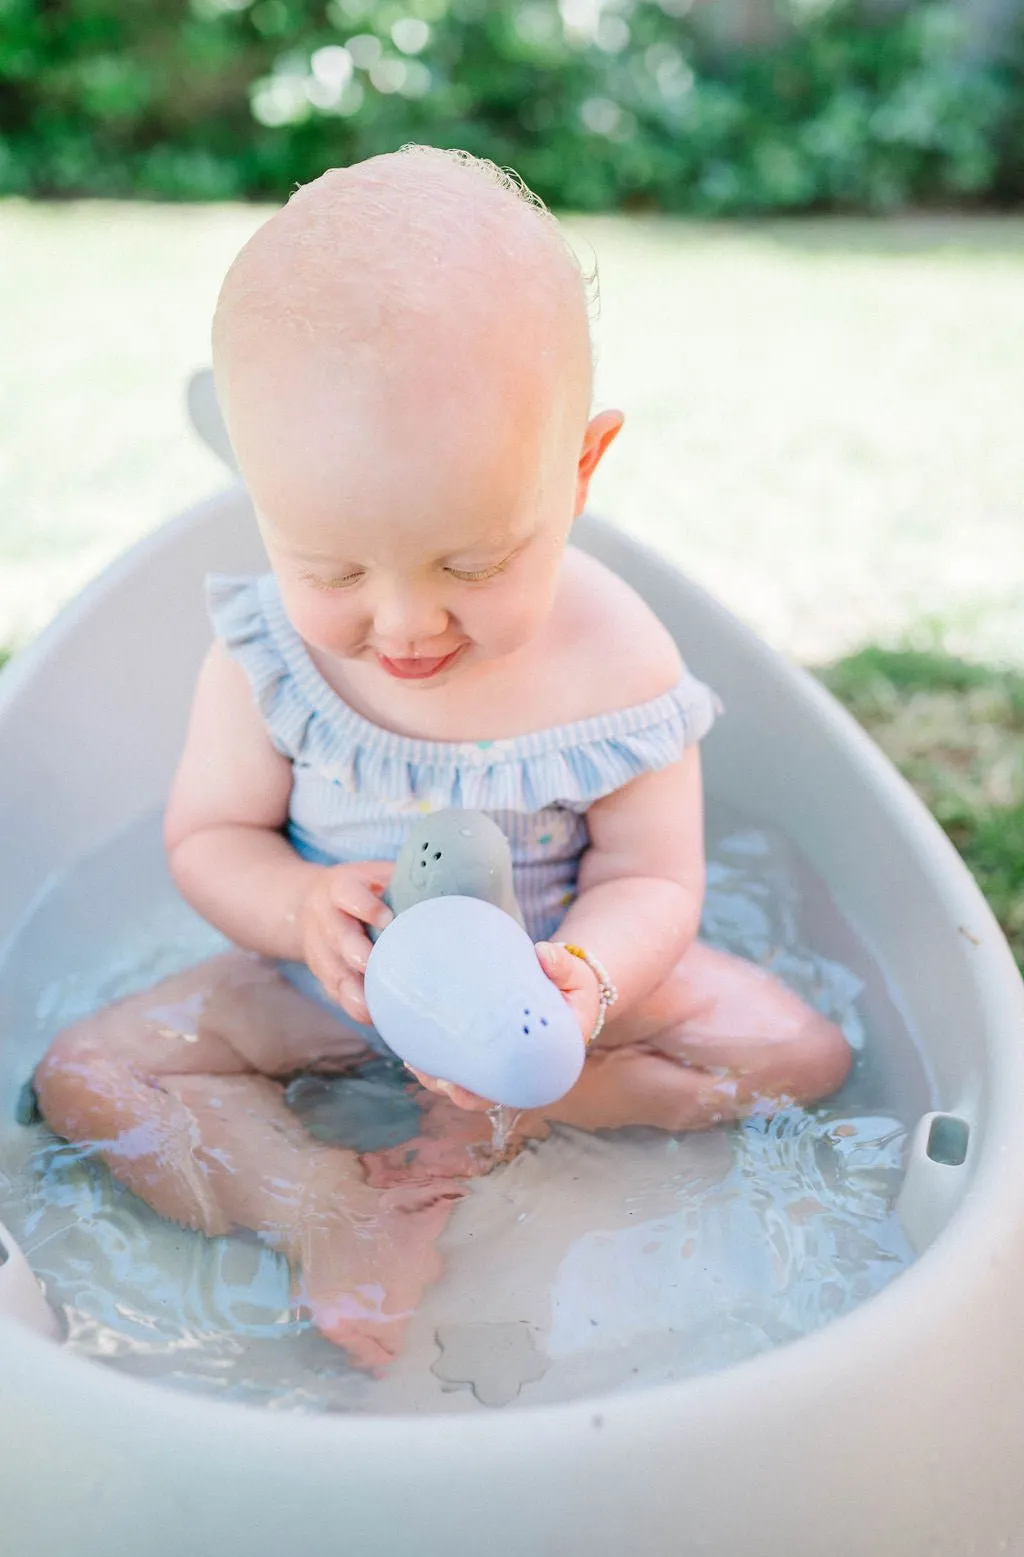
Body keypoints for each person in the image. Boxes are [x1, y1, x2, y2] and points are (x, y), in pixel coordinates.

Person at [34, 146, 850, 1370]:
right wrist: (302, 904)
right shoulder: (264, 659)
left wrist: (586, 980)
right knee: (87, 1073)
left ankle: (560, 1099)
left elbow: (653, 880)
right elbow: (210, 840)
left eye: (471, 563)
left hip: (548, 978)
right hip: (322, 990)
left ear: (577, 471)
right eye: (332, 568)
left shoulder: (617, 661)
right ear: (260, 498)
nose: (405, 624)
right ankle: (316, 1200)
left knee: (804, 1051)